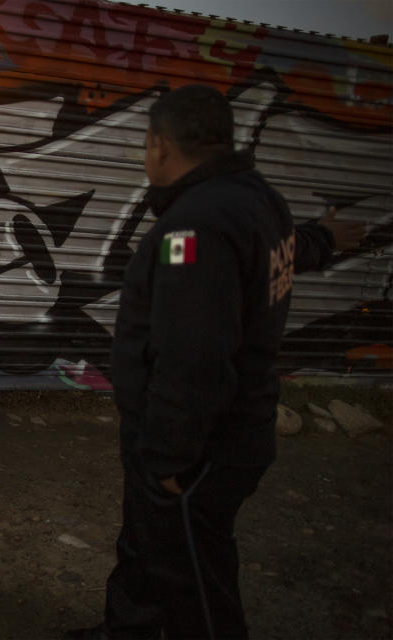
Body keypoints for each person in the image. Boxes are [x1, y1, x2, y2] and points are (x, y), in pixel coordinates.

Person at [66, 85, 367, 640]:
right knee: (147, 548)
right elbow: (287, 245)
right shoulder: (254, 199)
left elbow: (194, 358)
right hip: (214, 435)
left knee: (196, 584)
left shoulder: (194, 227)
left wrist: (165, 461)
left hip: (199, 447)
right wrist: (326, 236)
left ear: (159, 145)